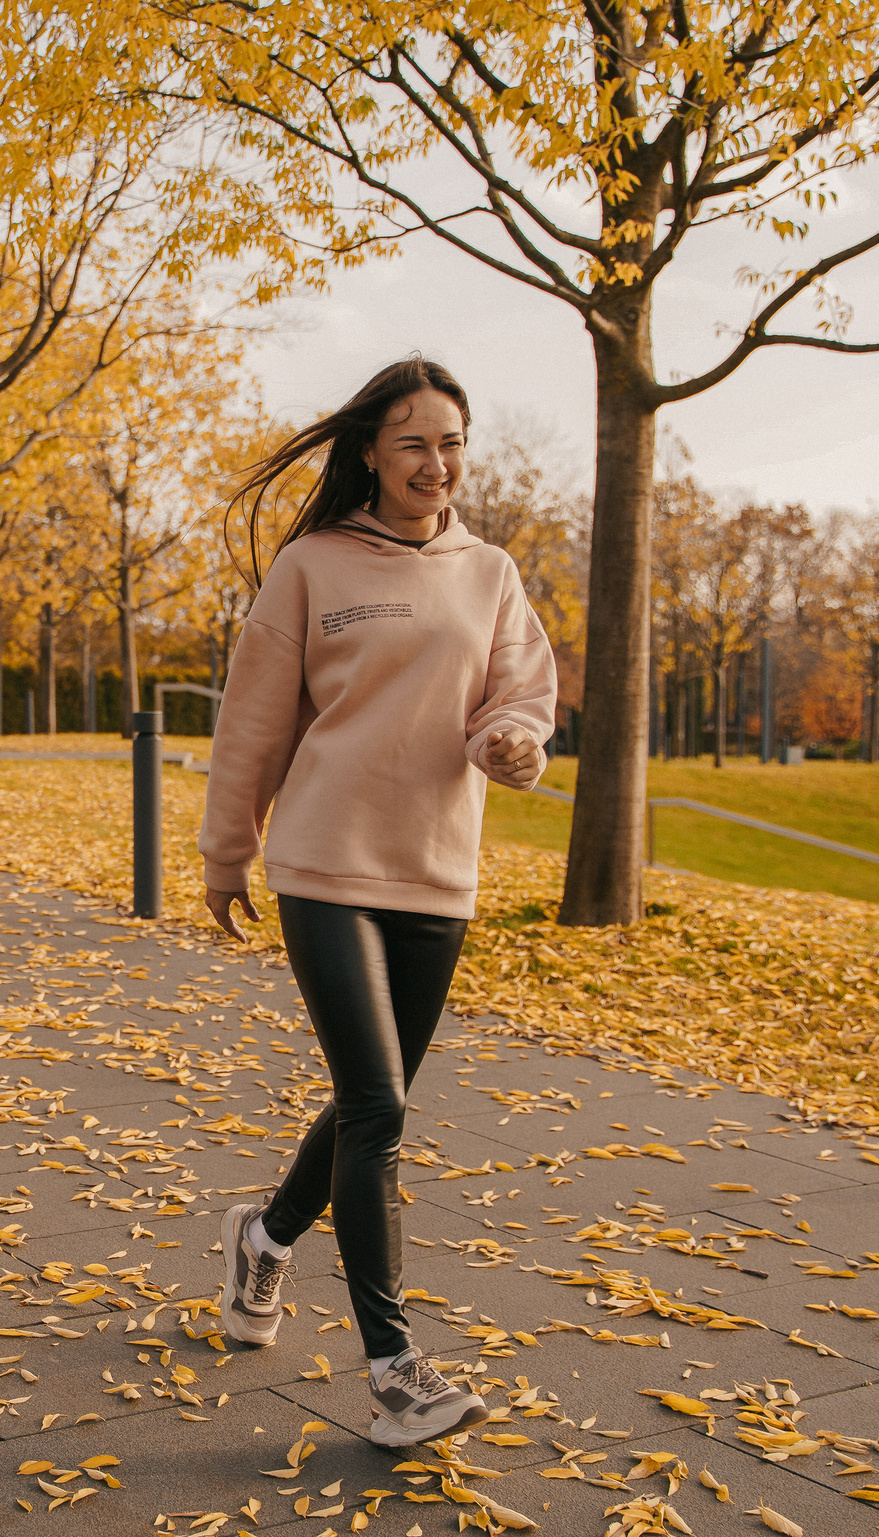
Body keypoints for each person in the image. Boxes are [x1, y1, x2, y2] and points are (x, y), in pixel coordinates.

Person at [196, 356, 556, 1450]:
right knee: (378, 1109)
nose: (435, 465)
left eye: (452, 443)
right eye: (413, 443)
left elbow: (521, 693)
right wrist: (227, 851)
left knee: (373, 1100)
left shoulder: (488, 571)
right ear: (368, 450)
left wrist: (515, 742)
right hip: (321, 862)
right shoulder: (311, 565)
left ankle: (265, 1234)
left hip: (437, 871)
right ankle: (394, 1371)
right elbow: (253, 720)